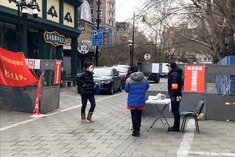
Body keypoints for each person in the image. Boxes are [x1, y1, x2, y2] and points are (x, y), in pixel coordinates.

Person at [124, 66, 149, 137]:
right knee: (139, 115)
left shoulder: (129, 80)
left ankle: (135, 130)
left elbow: (126, 90)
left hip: (132, 100)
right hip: (141, 99)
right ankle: (138, 128)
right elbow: (147, 87)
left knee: (134, 115)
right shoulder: (144, 79)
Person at [166, 61, 183, 132]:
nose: (168, 68)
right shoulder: (176, 73)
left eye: (168, 67)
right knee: (176, 110)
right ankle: (176, 125)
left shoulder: (174, 74)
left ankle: (176, 126)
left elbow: (174, 85)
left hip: (175, 95)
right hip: (178, 94)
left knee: (175, 110)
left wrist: (172, 95)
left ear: (171, 67)